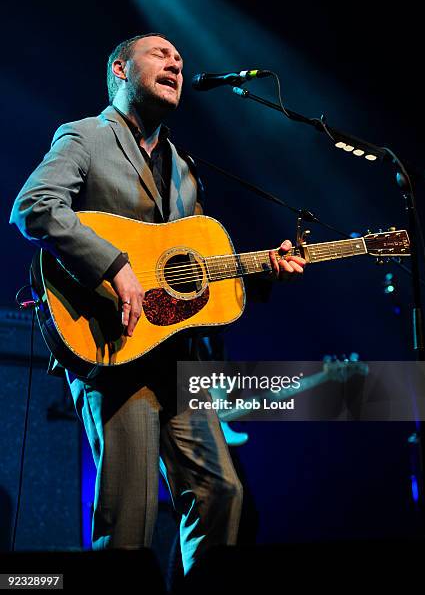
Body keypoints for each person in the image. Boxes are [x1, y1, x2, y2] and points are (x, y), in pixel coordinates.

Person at [10, 33, 306, 573]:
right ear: (121, 70)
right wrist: (113, 265)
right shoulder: (84, 137)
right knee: (130, 515)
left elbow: (190, 274)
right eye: (160, 54)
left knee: (223, 496)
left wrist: (263, 272)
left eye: (180, 58)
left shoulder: (186, 168)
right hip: (111, 346)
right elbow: (34, 206)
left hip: (177, 354)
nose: (176, 61)